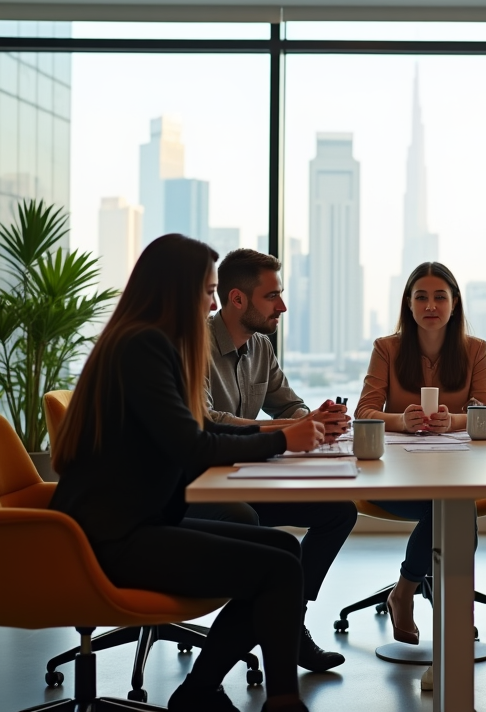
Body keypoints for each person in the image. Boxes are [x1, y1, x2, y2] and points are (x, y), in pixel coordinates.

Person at [49, 234, 322, 712]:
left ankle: (199, 692)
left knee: (285, 549)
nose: (215, 302)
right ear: (177, 290)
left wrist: (284, 435)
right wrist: (282, 439)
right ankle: (279, 702)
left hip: (137, 519)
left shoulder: (147, 343)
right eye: (208, 290)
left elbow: (194, 433)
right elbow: (192, 447)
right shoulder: (143, 347)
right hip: (111, 535)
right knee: (278, 569)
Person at [203, 248, 357, 672]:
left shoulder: (260, 348)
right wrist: (289, 434)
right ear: (237, 299)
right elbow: (208, 422)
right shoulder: (194, 345)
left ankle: (292, 621)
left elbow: (288, 407)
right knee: (251, 526)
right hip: (200, 485)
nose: (283, 306)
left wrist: (318, 420)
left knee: (338, 512)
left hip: (243, 476)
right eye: (273, 296)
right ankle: (277, 625)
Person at [355, 261, 486, 644]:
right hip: (394, 479)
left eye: (441, 296)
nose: (431, 305)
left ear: (455, 304)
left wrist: (453, 421)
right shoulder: (387, 348)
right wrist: (402, 421)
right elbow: (364, 411)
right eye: (421, 297)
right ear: (408, 304)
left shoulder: (475, 350)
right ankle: (450, 607)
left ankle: (405, 591)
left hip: (453, 473)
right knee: (454, 509)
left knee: (452, 503)